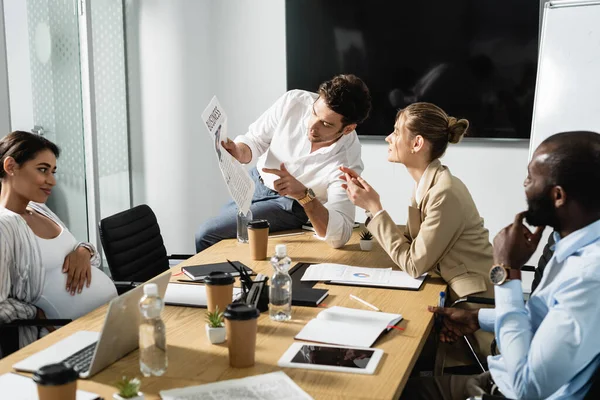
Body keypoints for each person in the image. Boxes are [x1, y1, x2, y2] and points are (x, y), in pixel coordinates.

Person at [404, 131, 600, 399]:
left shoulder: (589, 276)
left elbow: (526, 386)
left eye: (531, 177)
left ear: (558, 196)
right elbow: (548, 321)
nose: (524, 183)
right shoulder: (571, 242)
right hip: (496, 379)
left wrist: (507, 272)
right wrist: (478, 318)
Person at [195, 74, 372, 252]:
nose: (312, 126)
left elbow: (340, 235)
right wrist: (239, 150)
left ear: (348, 129)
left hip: (291, 205)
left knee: (207, 234)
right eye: (314, 113)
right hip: (254, 182)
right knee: (218, 238)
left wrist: (303, 194)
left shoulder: (347, 160)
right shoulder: (294, 101)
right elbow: (256, 140)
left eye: (325, 124)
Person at [341, 102, 493, 300]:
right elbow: (413, 246)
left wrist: (374, 207)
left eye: (396, 132)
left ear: (417, 143)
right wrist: (371, 208)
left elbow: (414, 264)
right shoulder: (428, 184)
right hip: (447, 290)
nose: (388, 138)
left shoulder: (444, 193)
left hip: (470, 304)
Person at [0, 131, 117, 350]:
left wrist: (84, 251)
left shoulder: (39, 208)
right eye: (43, 170)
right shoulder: (4, 227)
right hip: (61, 340)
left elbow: (90, 259)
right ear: (11, 166)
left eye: (53, 171)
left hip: (105, 325)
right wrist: (37, 314)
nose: (52, 181)